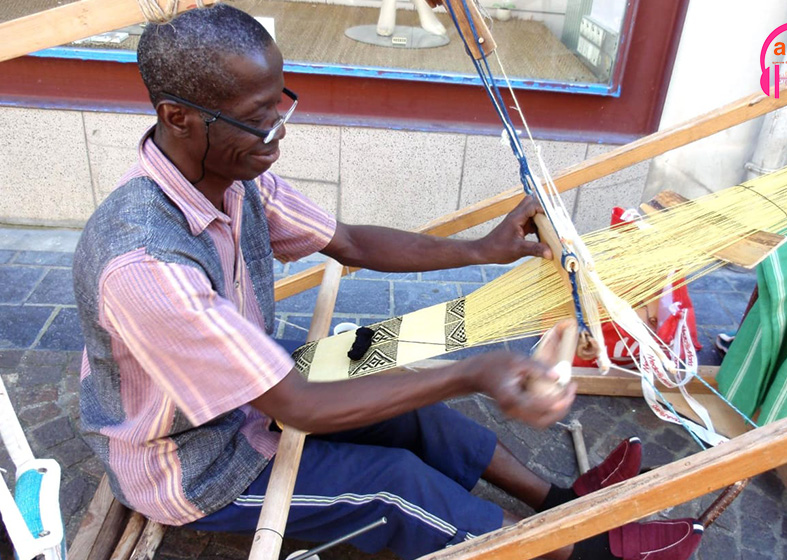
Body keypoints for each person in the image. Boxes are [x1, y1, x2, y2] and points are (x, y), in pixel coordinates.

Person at [72, 5, 703, 559]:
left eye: (280, 104)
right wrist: (472, 371)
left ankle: (559, 500)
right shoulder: (146, 266)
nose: (279, 131)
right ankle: (578, 553)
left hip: (246, 396)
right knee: (394, 486)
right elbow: (299, 406)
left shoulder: (234, 174)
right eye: (256, 117)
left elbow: (349, 242)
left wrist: (480, 250)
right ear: (178, 117)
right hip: (192, 463)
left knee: (405, 400)